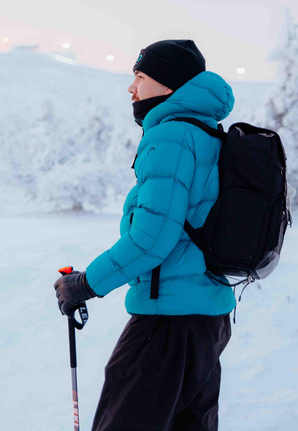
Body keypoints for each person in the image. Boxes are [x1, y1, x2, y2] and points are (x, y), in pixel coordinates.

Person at [54, 39, 236, 431]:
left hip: (168, 325)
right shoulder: (207, 133)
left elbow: (151, 239)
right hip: (209, 321)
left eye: (140, 76)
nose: (131, 88)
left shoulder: (170, 137)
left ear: (169, 84)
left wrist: (85, 284)